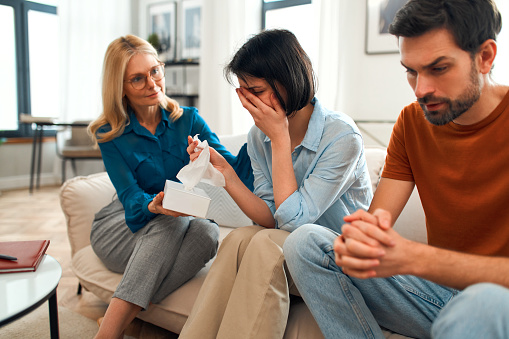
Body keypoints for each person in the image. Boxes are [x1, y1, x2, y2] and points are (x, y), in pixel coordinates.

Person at [283, 0, 509, 338]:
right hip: (436, 297)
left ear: (486, 57)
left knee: (481, 304)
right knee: (305, 243)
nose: (421, 90)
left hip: (497, 303)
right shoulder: (412, 122)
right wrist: (361, 241)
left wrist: (415, 258)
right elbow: (375, 227)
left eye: (439, 68)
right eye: (411, 71)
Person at [179, 29, 373, 339]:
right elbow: (269, 217)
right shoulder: (258, 137)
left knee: (266, 245)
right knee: (240, 239)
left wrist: (280, 138)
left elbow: (293, 224)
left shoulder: (341, 137)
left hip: (338, 259)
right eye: (242, 92)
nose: (247, 103)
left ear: (288, 80)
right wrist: (226, 174)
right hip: (295, 248)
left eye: (254, 90)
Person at [87, 34, 253, 339]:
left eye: (155, 71)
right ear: (120, 88)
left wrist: (260, 132)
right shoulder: (110, 134)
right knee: (170, 220)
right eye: (137, 79)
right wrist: (154, 205)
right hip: (120, 226)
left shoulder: (188, 120)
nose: (152, 84)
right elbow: (130, 198)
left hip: (171, 222)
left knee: (207, 231)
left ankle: (124, 318)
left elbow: (235, 169)